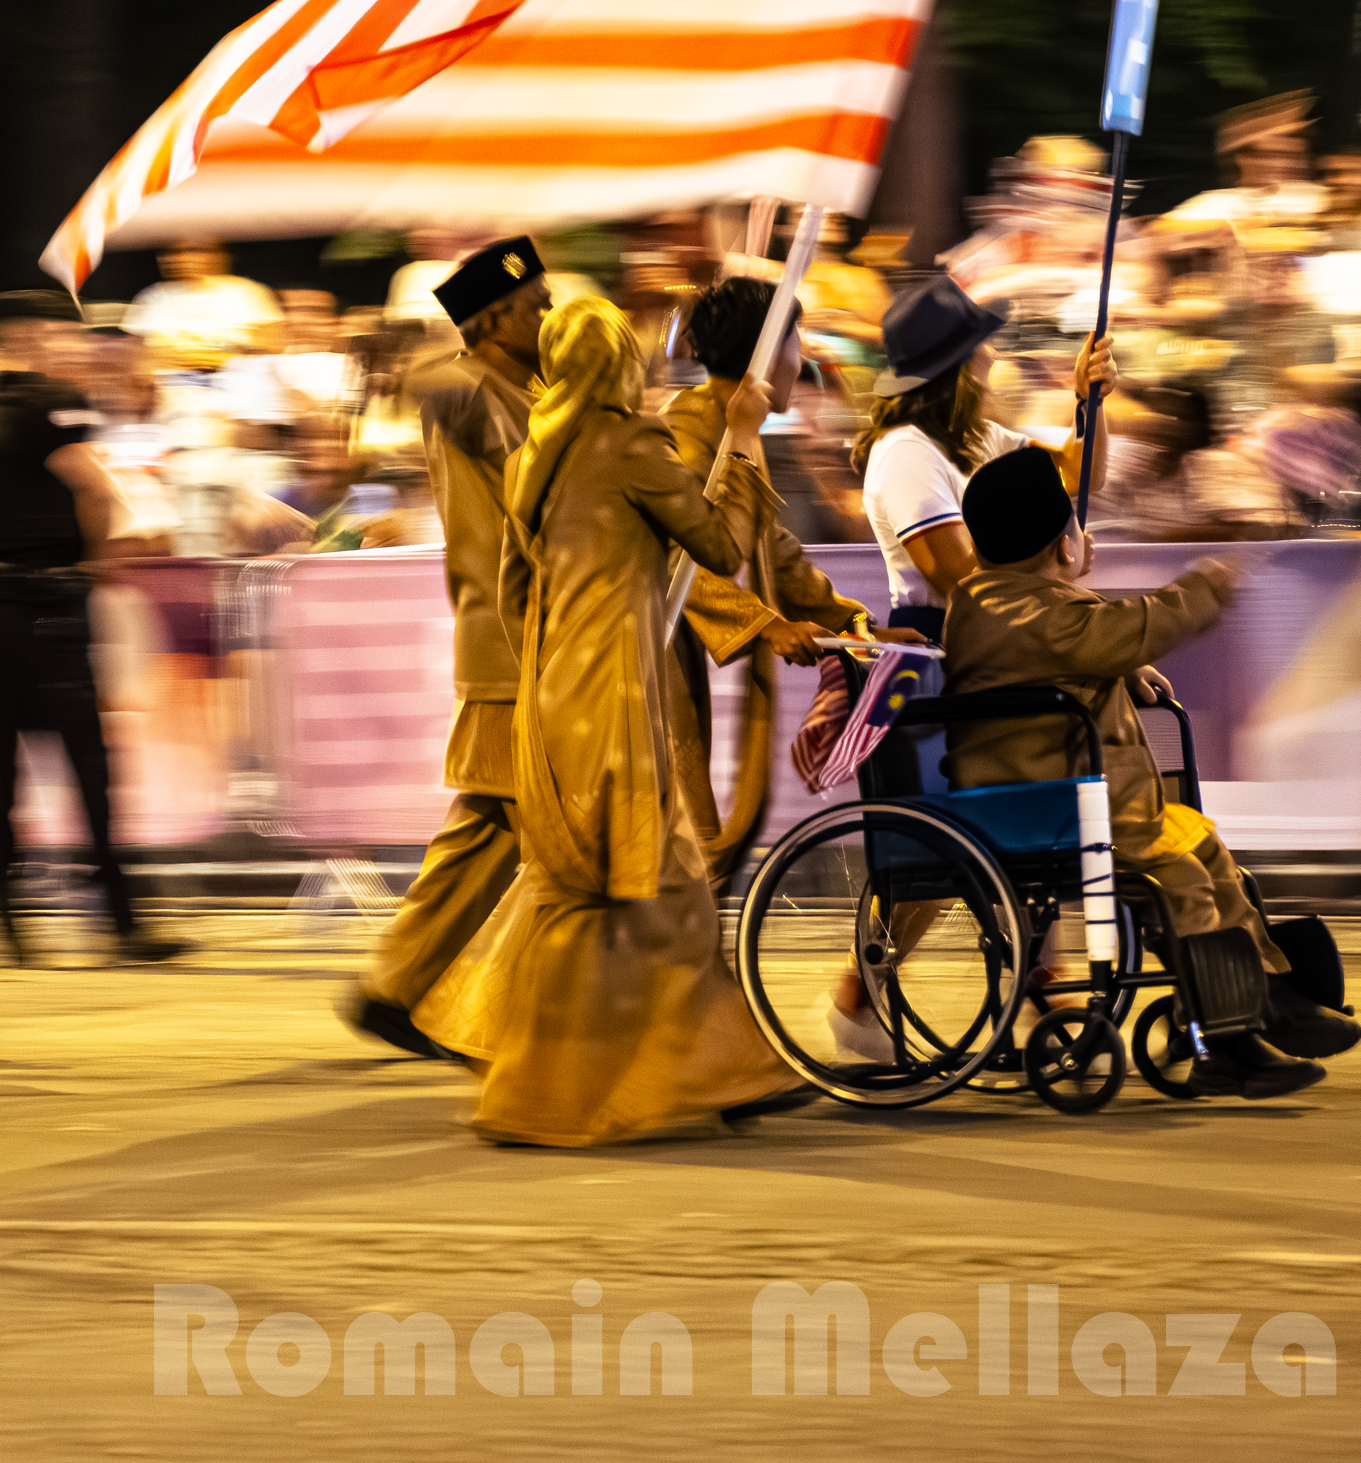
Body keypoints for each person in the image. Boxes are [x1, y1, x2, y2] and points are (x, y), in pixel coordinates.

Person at [464, 295, 799, 1145]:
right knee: (652, 885)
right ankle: (555, 1091)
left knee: (605, 886)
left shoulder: (531, 459)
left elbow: (512, 593)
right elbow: (721, 544)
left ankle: (713, 1071)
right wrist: (748, 440)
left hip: (552, 693)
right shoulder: (633, 443)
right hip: (617, 695)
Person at [944, 447, 1359, 1094]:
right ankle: (1230, 1040)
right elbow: (1115, 628)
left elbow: (1085, 639)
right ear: (1057, 545)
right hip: (1050, 806)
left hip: (1079, 797)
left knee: (1207, 849)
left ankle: (1264, 1000)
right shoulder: (1024, 610)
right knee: (1183, 877)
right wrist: (1205, 585)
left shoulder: (1009, 600)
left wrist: (1122, 664)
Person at [344, 239, 545, 1061]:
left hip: (529, 637)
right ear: (491, 318)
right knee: (547, 829)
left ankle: (398, 986)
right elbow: (439, 386)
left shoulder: (518, 387)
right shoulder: (469, 388)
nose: (550, 317)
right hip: (514, 639)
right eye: (535, 305)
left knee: (495, 823)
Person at [0, 290, 185, 965]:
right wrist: (97, 562)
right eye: (59, 334)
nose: (70, 347)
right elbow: (94, 485)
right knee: (89, 764)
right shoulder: (55, 400)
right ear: (34, 336)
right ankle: (121, 921)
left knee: (4, 768)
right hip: (49, 605)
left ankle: (6, 922)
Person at [661, 278, 885, 873]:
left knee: (696, 846)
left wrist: (856, 624)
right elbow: (671, 561)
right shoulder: (686, 430)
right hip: (649, 661)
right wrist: (764, 626)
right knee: (678, 839)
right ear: (763, 353)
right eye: (795, 340)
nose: (804, 358)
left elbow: (772, 552)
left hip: (680, 661)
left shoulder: (739, 429)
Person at [855, 273, 1118, 639]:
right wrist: (1058, 568)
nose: (992, 353)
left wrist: (1090, 401)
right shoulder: (906, 453)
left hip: (991, 633)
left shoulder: (977, 436)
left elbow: (1080, 474)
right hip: (944, 648)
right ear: (959, 365)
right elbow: (961, 579)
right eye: (982, 342)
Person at [120, 241, 282, 358]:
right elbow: (135, 354)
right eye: (177, 252)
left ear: (220, 255)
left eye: (198, 250)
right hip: (173, 389)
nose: (187, 258)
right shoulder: (153, 297)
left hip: (238, 384)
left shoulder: (247, 292)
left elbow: (273, 346)